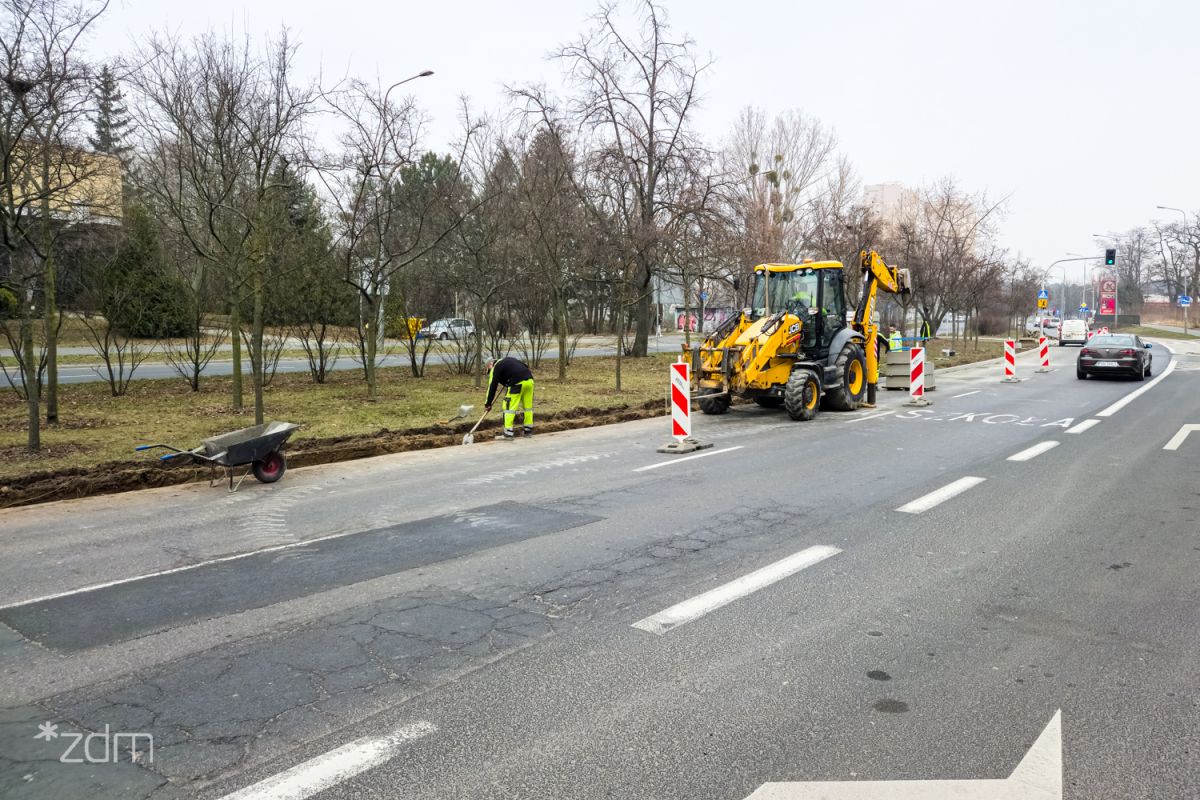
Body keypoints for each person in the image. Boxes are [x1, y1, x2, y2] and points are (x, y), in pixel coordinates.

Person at [485, 356, 535, 440]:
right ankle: (528, 430)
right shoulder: (509, 360)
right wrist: (507, 382)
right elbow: (524, 367)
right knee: (528, 408)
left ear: (490, 364)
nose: (490, 371)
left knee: (508, 407)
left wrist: (488, 403)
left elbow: (492, 386)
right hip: (529, 381)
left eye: (488, 369)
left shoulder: (496, 366)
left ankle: (508, 433)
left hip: (517, 384)